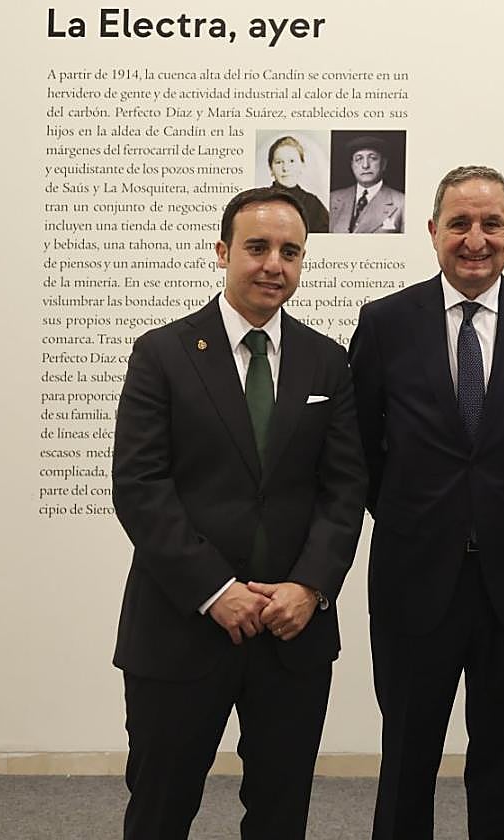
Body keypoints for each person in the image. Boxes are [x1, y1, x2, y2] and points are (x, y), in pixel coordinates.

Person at [111, 186, 367, 839]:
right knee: (161, 809)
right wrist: (215, 591)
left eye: (290, 251)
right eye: (256, 248)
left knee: (281, 815)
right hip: (181, 628)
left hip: (293, 632)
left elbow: (345, 489)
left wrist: (309, 586)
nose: (273, 264)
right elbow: (140, 486)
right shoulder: (162, 354)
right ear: (223, 252)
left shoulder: (327, 361)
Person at [348, 165, 504, 839]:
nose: (474, 239)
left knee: (502, 756)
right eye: (459, 224)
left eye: (490, 224)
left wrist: (499, 510)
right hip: (413, 575)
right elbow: (360, 448)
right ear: (432, 232)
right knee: (407, 758)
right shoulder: (386, 322)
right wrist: (417, 516)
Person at [329, 135, 405, 233]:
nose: (365, 165)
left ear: (384, 164)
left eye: (373, 158)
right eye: (359, 159)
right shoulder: (333, 199)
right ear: (352, 165)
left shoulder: (402, 203)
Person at [266, 135, 330, 233]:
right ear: (271, 169)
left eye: (291, 161)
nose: (285, 168)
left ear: (302, 165)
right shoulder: (261, 201)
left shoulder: (313, 204)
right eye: (279, 162)